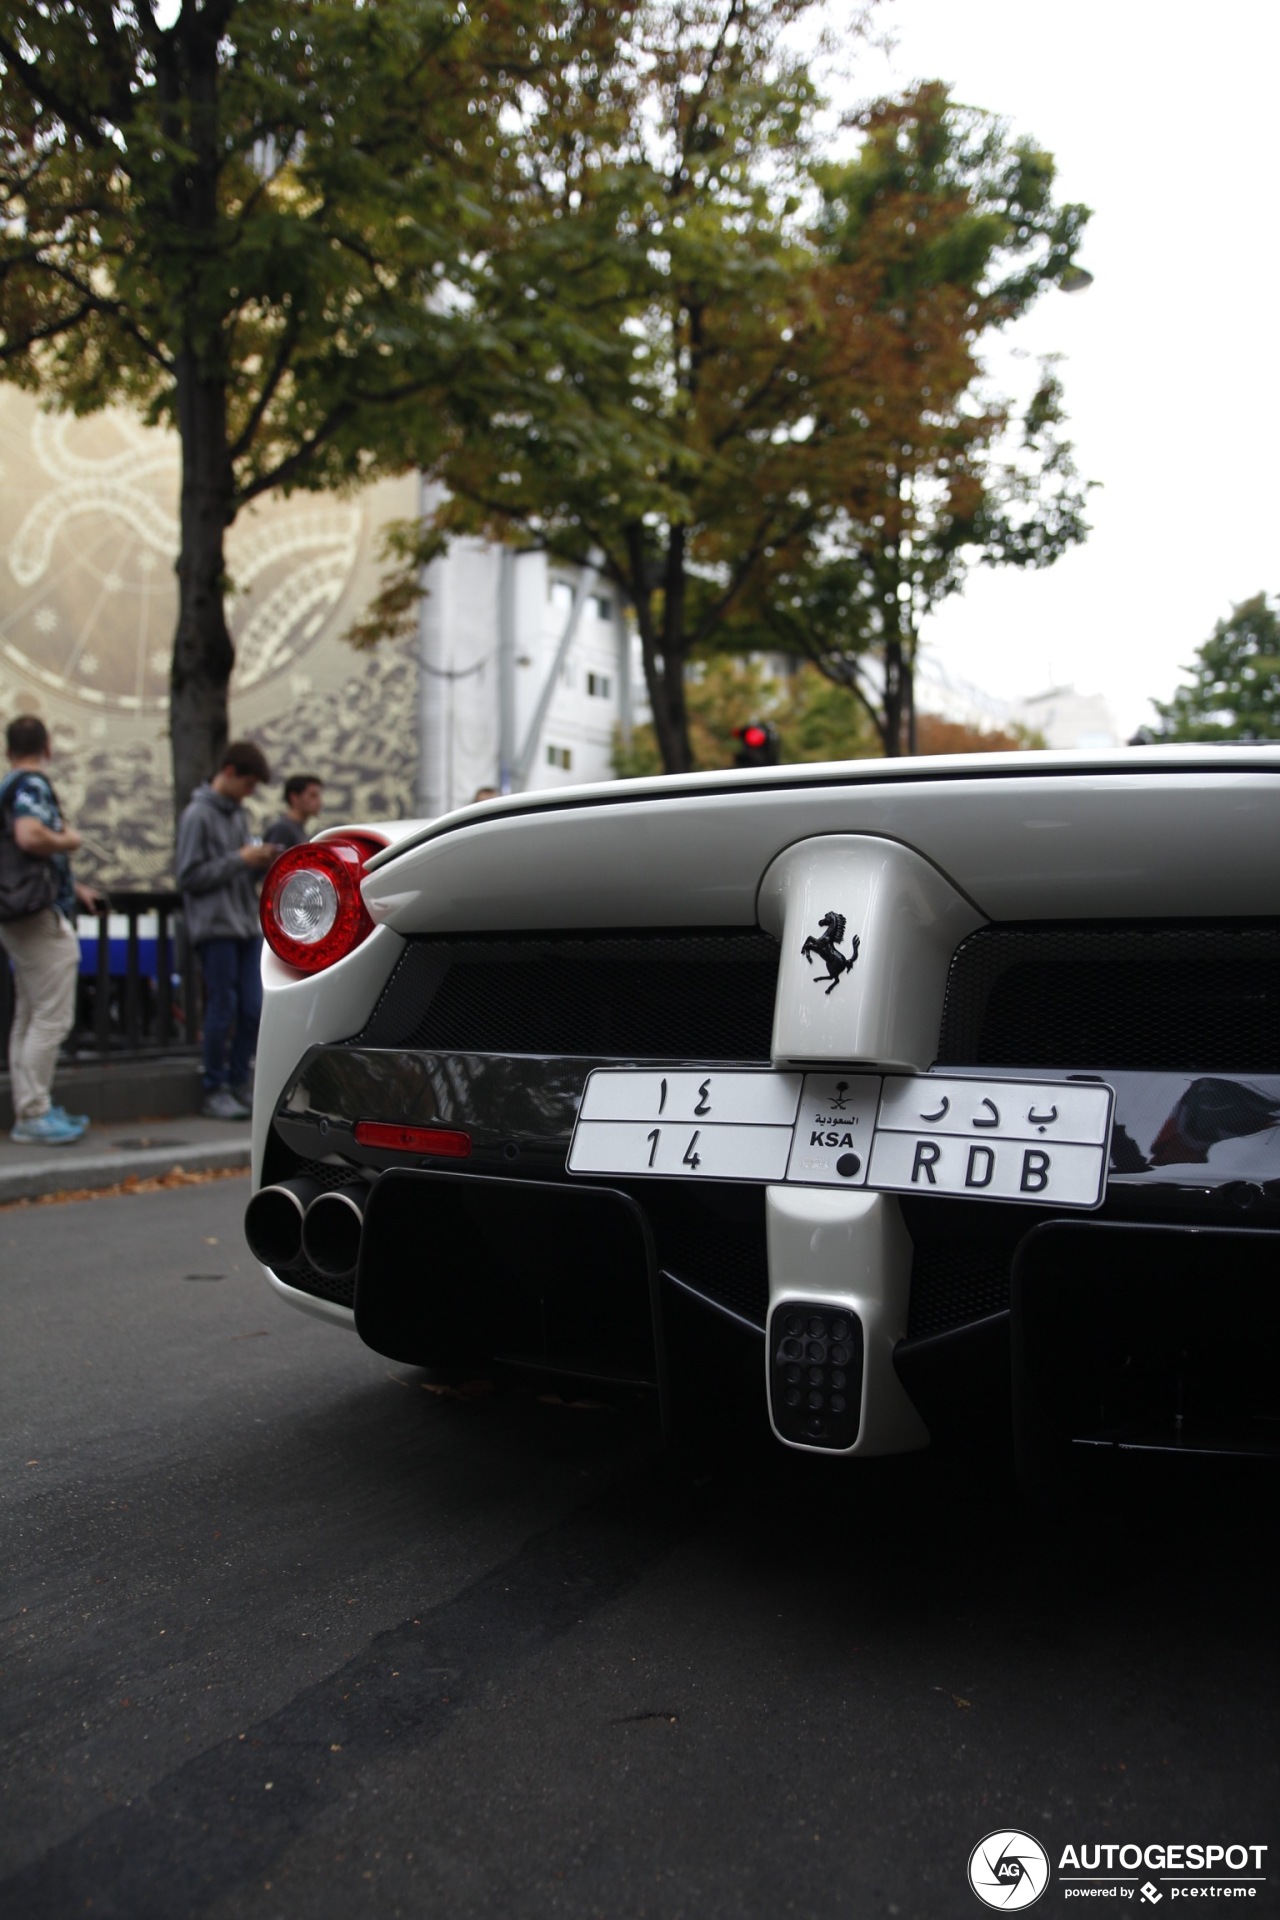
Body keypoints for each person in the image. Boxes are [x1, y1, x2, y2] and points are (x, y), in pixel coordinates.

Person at [0, 715, 106, 1144]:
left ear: (8, 749)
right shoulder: (32, 786)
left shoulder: (7, 786)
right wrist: (70, 840)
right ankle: (35, 1113)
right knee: (50, 1018)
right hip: (38, 916)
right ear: (47, 747)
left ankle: (31, 1104)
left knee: (28, 1015)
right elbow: (30, 837)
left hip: (15, 913)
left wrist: (74, 887)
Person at [175, 740, 279, 1121]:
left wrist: (256, 862)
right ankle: (214, 1087)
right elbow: (188, 876)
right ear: (231, 773)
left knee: (252, 1007)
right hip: (215, 926)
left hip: (242, 923)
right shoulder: (197, 815)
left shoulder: (236, 813)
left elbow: (229, 868)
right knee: (223, 1007)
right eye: (249, 784)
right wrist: (239, 860)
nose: (250, 794)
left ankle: (238, 1082)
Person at [263, 773, 323, 851]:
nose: (320, 802)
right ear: (294, 797)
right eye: (313, 795)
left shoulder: (299, 830)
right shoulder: (283, 829)